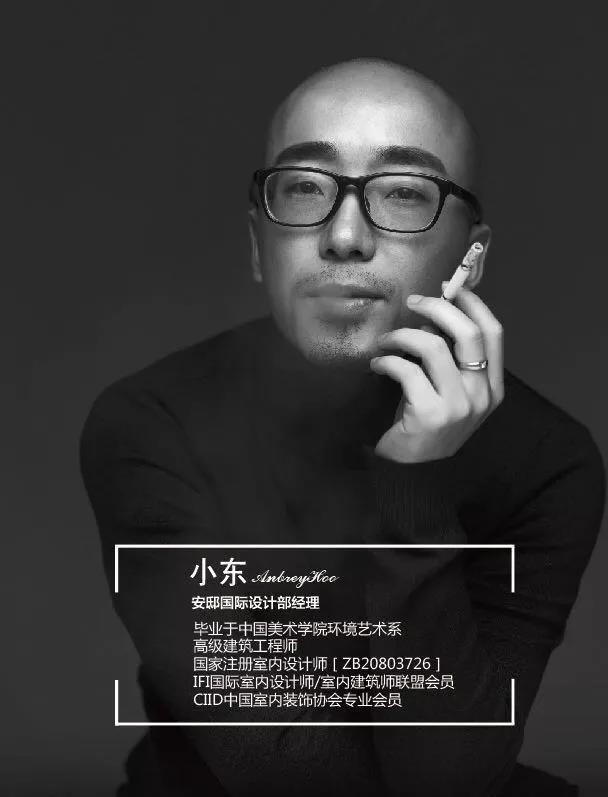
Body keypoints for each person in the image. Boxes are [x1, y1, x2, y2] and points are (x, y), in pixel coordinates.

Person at [80, 57, 606, 796]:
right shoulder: (151, 423)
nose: (345, 235)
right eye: (304, 188)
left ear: (471, 259)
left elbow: (449, 778)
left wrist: (415, 483)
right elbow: (285, 773)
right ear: (258, 245)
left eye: (403, 192)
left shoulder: (550, 462)